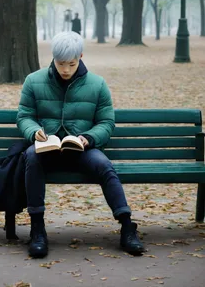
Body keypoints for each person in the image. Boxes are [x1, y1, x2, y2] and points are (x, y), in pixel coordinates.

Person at [16, 31, 145, 259]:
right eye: (60, 63)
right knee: (31, 158)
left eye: (71, 64)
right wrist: (33, 131)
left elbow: (106, 122)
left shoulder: (97, 84)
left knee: (105, 166)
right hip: (47, 148)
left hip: (82, 149)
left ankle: (127, 226)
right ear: (53, 58)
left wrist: (89, 138)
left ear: (81, 56)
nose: (65, 69)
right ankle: (37, 229)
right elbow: (24, 116)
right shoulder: (33, 80)